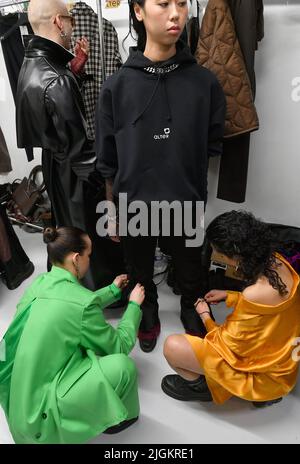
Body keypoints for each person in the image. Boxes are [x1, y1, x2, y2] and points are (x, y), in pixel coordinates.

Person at [96, 0, 226, 352]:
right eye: (163, 3)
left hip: (184, 197)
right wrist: (112, 212)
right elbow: (108, 159)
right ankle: (147, 312)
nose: (175, 14)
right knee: (139, 268)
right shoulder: (116, 87)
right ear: (138, 11)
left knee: (190, 267)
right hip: (134, 201)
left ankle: (190, 308)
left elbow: (213, 142)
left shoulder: (204, 82)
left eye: (182, 4)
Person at [0, 226, 145, 444]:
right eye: (89, 255)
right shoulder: (81, 303)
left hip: (17, 405)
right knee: (124, 367)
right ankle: (122, 419)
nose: (90, 260)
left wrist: (112, 291)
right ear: (76, 259)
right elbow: (119, 345)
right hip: (39, 423)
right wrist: (134, 306)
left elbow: (72, 304)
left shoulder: (40, 283)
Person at [16, 0, 124, 290]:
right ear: (58, 22)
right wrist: (111, 180)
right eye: (70, 20)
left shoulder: (32, 63)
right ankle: (96, 290)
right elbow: (81, 153)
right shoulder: (58, 78)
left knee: (67, 227)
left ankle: (67, 281)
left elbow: (48, 120)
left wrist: (75, 69)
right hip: (73, 174)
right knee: (86, 234)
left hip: (55, 164)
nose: (73, 27)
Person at [162, 211, 300, 407]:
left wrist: (205, 315)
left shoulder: (254, 293)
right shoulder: (279, 261)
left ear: (235, 256)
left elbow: (226, 346)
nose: (216, 256)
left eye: (217, 252)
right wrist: (231, 296)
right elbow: (270, 310)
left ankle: (202, 387)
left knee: (172, 346)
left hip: (264, 378)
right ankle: (264, 395)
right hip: (283, 367)